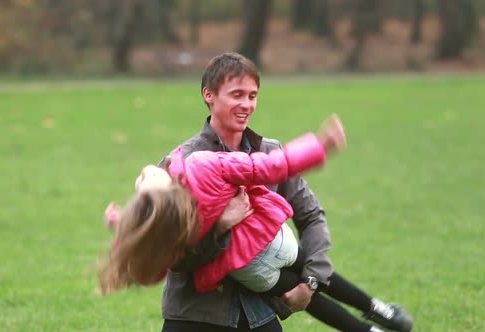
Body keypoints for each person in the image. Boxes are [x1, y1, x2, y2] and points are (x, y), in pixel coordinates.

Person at [102, 52, 413, 332]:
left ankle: (375, 313)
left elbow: (311, 216)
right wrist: (221, 226)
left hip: (258, 314)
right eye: (237, 95)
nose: (246, 104)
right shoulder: (180, 164)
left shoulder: (269, 152)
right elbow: (174, 259)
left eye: (252, 96)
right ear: (208, 96)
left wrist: (311, 280)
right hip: (196, 316)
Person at [99, 114, 344, 294]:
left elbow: (154, 263)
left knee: (308, 294)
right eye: (147, 178)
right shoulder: (200, 166)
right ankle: (372, 314)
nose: (145, 171)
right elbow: (270, 166)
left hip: (246, 269)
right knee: (314, 287)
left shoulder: (173, 221)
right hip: (272, 240)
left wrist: (125, 226)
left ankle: (370, 316)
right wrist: (318, 147)